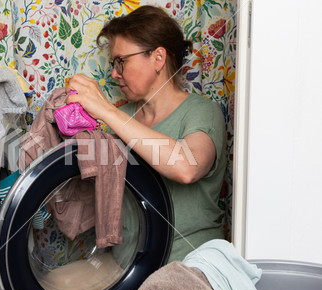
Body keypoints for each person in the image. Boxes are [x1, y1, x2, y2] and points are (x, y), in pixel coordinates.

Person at [65, 5, 227, 262]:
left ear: (158, 58)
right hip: (126, 267)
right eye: (112, 63)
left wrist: (106, 110)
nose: (114, 73)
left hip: (188, 266)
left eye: (121, 61)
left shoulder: (203, 112)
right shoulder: (120, 117)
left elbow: (186, 167)